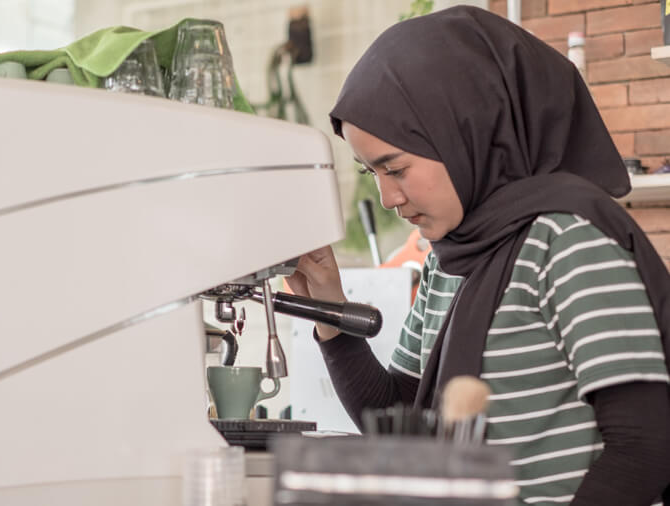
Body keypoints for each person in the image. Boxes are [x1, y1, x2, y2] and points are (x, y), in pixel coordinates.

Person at [285, 6, 670, 506]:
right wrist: (330, 309)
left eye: (395, 168)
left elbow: (646, 448)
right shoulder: (449, 261)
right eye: (370, 173)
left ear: (466, 132)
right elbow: (401, 426)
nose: (387, 198)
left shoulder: (566, 241)